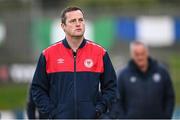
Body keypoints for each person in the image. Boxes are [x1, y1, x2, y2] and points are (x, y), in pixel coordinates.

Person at [30, 6, 117, 119]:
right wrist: (52, 113)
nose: (78, 24)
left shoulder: (100, 53)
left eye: (81, 20)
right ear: (63, 26)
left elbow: (111, 87)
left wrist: (99, 109)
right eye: (72, 21)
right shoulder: (48, 55)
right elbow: (37, 89)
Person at [110, 41, 175, 119]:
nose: (140, 57)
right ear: (132, 54)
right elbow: (117, 101)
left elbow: (169, 97)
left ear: (147, 52)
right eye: (137, 54)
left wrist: (167, 117)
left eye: (142, 53)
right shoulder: (123, 75)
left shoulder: (162, 72)